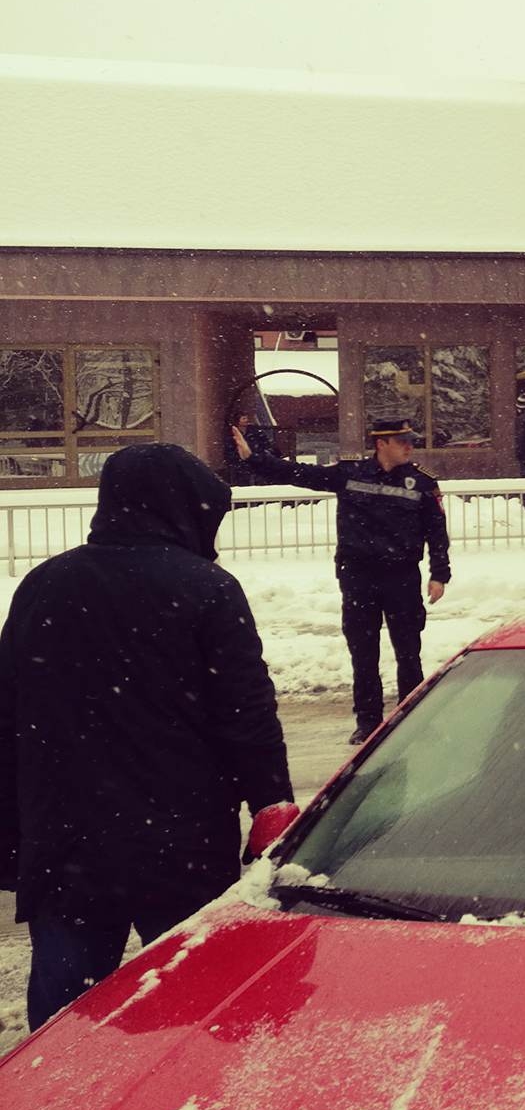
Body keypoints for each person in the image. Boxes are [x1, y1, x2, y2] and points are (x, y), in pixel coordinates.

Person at [0, 444, 294, 1031]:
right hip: (178, 842)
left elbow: (9, 714)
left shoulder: (43, 585)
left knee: (66, 1013)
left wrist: (14, 833)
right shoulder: (207, 589)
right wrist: (271, 803)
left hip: (66, 843)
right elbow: (247, 714)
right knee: (194, 995)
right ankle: (179, 1108)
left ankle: (60, 1108)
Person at [233, 416, 451, 744]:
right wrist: (253, 458)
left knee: (408, 653)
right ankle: (368, 722)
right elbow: (301, 474)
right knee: (363, 654)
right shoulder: (350, 473)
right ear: (381, 444)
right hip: (358, 579)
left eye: (410, 440)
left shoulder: (420, 483)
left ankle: (410, 717)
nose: (410, 446)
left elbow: (436, 532)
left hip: (401, 580)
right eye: (402, 441)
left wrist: (439, 574)